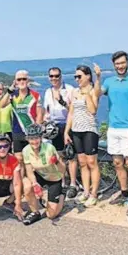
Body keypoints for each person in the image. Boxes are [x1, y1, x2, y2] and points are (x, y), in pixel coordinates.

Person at [95, 51, 128, 214]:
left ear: (127, 63)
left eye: (122, 63)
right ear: (113, 65)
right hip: (113, 128)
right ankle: (124, 192)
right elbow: (97, 94)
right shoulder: (109, 82)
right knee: (117, 163)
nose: (120, 66)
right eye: (117, 64)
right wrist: (98, 77)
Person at [64, 65, 102, 207]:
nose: (77, 79)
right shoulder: (74, 92)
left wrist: (86, 95)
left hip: (89, 130)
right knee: (82, 162)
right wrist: (66, 131)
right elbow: (71, 113)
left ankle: (94, 194)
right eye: (75, 76)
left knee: (92, 162)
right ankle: (86, 192)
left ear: (88, 76)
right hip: (76, 130)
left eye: (79, 76)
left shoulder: (93, 91)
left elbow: (93, 110)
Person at [43, 67, 78, 199]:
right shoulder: (47, 92)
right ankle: (63, 183)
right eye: (51, 76)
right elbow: (47, 110)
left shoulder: (69, 89)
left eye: (56, 76)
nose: (54, 79)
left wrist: (62, 101)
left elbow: (73, 110)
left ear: (61, 76)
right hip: (54, 126)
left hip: (68, 124)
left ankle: (73, 184)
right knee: (59, 156)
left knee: (71, 155)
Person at [0, 70, 44, 173]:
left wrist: (38, 130)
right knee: (19, 159)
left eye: (24, 79)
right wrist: (10, 90)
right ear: (15, 81)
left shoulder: (35, 95)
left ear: (28, 80)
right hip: (17, 131)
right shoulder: (13, 95)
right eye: (19, 79)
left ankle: (35, 182)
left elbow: (39, 114)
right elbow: (1, 105)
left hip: (32, 133)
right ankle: (23, 182)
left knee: (34, 159)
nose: (22, 81)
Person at [21, 124, 66, 225]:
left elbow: (63, 170)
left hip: (54, 178)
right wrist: (34, 184)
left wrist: (57, 162)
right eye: (31, 138)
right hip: (40, 175)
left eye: (36, 138)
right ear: (27, 139)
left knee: (51, 215)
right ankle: (35, 212)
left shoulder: (49, 148)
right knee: (26, 185)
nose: (34, 141)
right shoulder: (26, 150)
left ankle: (62, 195)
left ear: (41, 137)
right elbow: (29, 170)